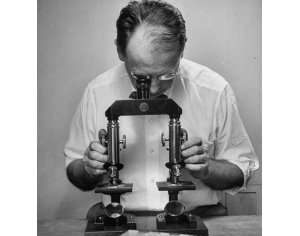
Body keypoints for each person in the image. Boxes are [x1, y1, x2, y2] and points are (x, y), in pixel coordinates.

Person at [64, 0, 259, 214]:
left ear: (181, 50)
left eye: (168, 74)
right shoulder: (97, 92)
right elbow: (75, 171)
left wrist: (207, 168)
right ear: (120, 51)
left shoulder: (214, 90)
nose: (154, 88)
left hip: (195, 216)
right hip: (120, 219)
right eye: (141, 76)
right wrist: (87, 167)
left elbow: (241, 171)